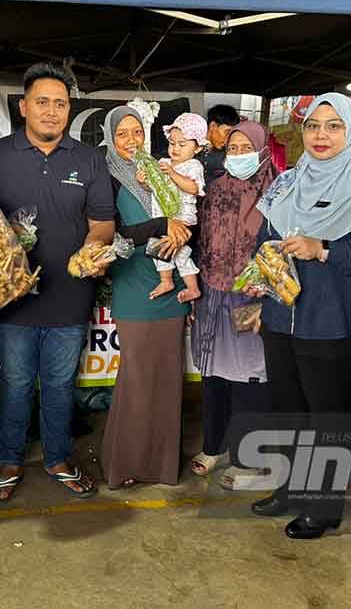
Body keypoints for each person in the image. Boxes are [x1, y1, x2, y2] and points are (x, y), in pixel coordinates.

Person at [248, 92, 351, 539]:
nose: (322, 135)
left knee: (326, 415)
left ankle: (325, 505)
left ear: (350, 132)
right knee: (288, 410)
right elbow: (264, 235)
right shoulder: (288, 180)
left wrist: (324, 249)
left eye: (334, 126)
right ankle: (293, 489)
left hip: (333, 319)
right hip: (281, 315)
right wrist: (262, 277)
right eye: (314, 125)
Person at [0, 62, 115, 503]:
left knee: (59, 383)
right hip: (13, 296)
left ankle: (58, 458)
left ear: (69, 110)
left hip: (70, 294)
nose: (52, 112)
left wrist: (92, 251)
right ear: (23, 107)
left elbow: (102, 224)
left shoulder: (89, 158)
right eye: (43, 102)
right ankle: (10, 460)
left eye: (60, 104)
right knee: (16, 381)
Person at [99, 105, 193, 489]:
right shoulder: (104, 179)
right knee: (136, 380)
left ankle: (162, 466)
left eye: (137, 132)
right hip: (134, 289)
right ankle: (125, 464)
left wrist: (181, 235)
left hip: (170, 290)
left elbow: (188, 216)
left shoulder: (161, 172)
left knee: (169, 380)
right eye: (122, 134)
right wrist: (158, 226)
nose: (131, 140)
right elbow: (111, 241)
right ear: (109, 138)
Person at [189, 121, 277, 488]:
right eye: (232, 148)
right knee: (213, 375)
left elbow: (282, 250)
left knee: (249, 379)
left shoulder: (277, 193)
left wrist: (267, 297)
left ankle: (248, 460)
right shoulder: (214, 190)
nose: (238, 155)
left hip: (251, 298)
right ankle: (214, 446)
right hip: (213, 296)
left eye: (246, 148)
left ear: (261, 151)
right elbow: (198, 239)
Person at [142, 113, 207, 303]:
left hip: (182, 219)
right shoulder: (164, 163)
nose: (175, 148)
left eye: (182, 144)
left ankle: (191, 287)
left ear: (197, 148)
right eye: (172, 143)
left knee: (175, 251)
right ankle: (168, 281)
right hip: (162, 219)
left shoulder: (193, 165)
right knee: (162, 250)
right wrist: (144, 182)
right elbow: (153, 187)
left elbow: (193, 187)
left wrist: (172, 173)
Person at [203, 104, 241, 180]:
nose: (228, 139)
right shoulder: (190, 149)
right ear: (213, 126)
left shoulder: (227, 156)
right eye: (227, 132)